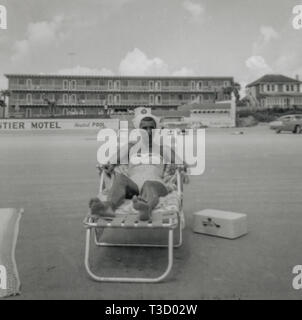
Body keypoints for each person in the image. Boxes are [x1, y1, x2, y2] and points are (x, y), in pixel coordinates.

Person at [89, 115, 184, 221]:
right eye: (144, 128)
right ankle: (108, 207)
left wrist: (177, 166)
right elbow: (111, 162)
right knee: (120, 178)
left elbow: (182, 164)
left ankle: (146, 208)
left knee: (149, 184)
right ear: (138, 130)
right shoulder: (130, 148)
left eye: (151, 128)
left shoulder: (163, 149)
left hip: (155, 183)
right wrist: (109, 166)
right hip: (133, 186)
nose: (148, 131)